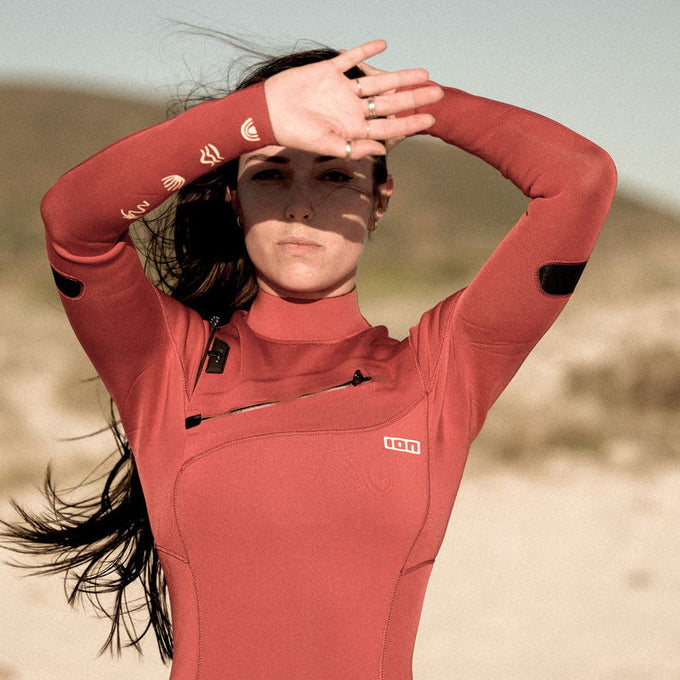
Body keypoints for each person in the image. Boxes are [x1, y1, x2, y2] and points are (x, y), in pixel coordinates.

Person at [4, 38, 616, 679]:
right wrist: (254, 116)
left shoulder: (438, 374)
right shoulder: (169, 365)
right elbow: (73, 222)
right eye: (270, 174)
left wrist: (412, 104)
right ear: (235, 199)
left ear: (379, 200)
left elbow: (580, 180)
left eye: (334, 175)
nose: (300, 205)